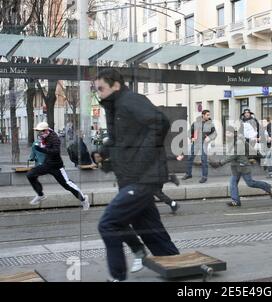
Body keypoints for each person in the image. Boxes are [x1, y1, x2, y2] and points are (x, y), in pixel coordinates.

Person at [95, 69, 179, 282]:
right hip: (131, 178)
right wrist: (103, 153)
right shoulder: (115, 108)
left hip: (142, 178)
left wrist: (142, 158)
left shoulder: (130, 101)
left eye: (101, 88)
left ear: (115, 85)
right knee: (149, 227)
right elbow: (121, 141)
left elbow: (161, 123)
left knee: (109, 223)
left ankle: (118, 277)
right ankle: (176, 265)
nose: (99, 93)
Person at [26, 122, 89, 210]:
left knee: (67, 185)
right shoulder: (44, 137)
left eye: (40, 131)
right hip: (47, 164)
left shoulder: (54, 138)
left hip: (57, 167)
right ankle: (40, 195)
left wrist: (41, 149)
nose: (39, 133)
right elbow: (44, 147)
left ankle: (84, 199)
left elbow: (55, 151)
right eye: (38, 131)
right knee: (30, 174)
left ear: (46, 131)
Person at [210, 126, 272, 207]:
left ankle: (267, 186)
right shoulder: (230, 141)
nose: (227, 134)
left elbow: (235, 155)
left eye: (229, 132)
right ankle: (236, 201)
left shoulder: (239, 142)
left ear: (234, 133)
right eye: (226, 132)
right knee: (233, 183)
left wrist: (220, 163)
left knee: (250, 183)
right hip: (235, 167)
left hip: (243, 166)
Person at [182, 110, 217, 183]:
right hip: (195, 143)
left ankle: (204, 177)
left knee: (204, 160)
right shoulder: (195, 123)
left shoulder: (210, 124)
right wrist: (191, 138)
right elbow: (189, 132)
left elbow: (214, 133)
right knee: (190, 158)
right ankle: (188, 174)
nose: (209, 116)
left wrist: (209, 137)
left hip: (204, 144)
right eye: (207, 115)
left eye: (209, 115)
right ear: (203, 115)